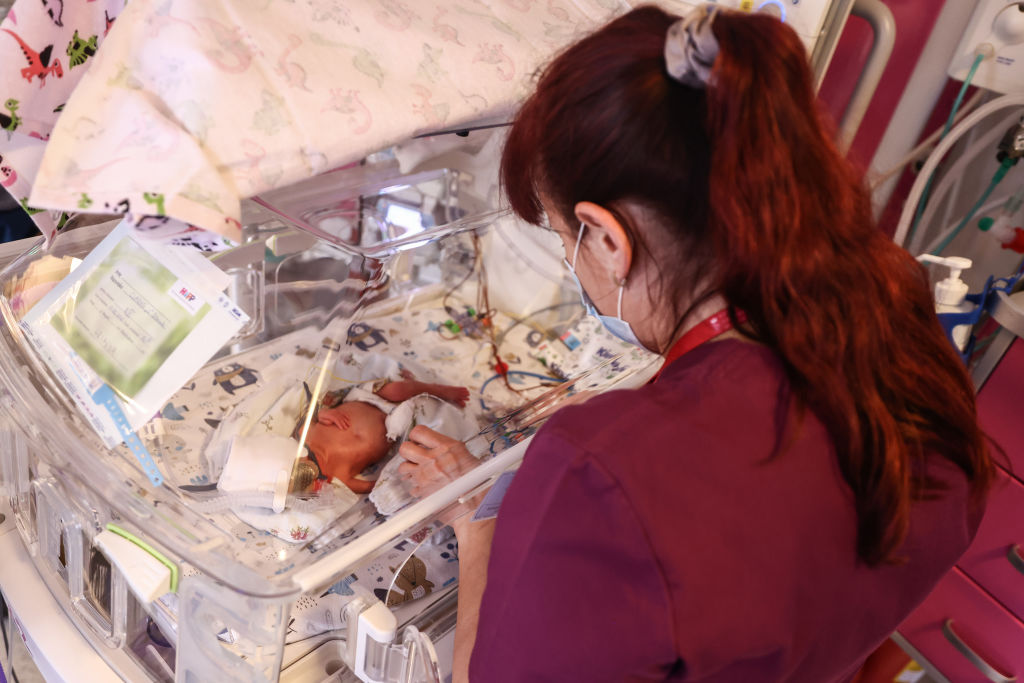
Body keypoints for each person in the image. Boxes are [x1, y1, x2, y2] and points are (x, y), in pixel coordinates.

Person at [397, 5, 995, 682]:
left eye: (566, 242)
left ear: (609, 238)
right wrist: (660, 408)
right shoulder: (905, 341)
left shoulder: (597, 474)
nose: (572, 262)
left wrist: (475, 525)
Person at [296, 375, 470, 494]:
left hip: (366, 399)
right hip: (392, 427)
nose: (313, 461)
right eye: (314, 475)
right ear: (319, 484)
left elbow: (310, 413)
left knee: (396, 390)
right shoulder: (337, 478)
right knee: (417, 431)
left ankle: (435, 390)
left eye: (306, 461)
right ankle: (425, 402)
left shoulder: (306, 435)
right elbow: (371, 487)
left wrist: (324, 414)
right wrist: (386, 485)